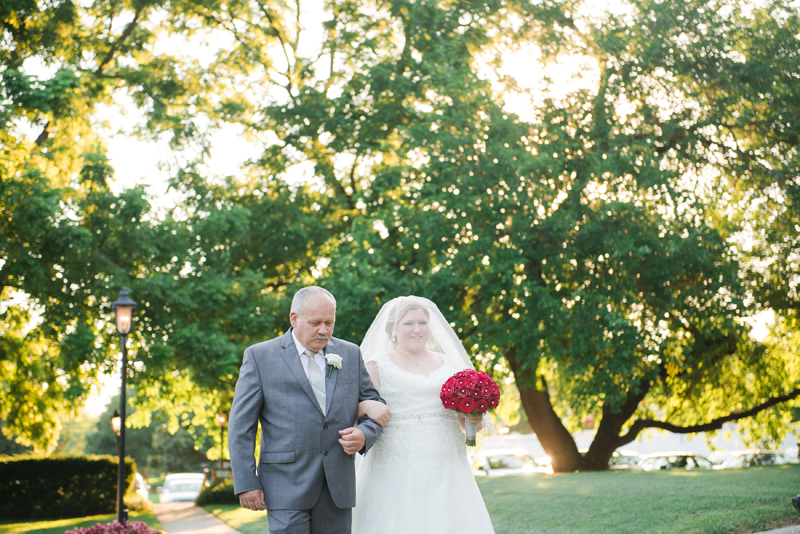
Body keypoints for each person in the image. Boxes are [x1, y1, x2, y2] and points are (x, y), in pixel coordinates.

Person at [228, 286, 391, 534]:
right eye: (316, 322)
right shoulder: (260, 357)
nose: (324, 330)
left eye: (329, 322)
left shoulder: (350, 353)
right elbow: (241, 427)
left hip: (337, 486)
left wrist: (364, 435)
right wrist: (247, 482)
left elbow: (376, 405)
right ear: (294, 318)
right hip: (285, 485)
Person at [351, 295, 496, 533]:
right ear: (392, 329)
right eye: (408, 323)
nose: (417, 329)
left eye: (422, 323)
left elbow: (468, 428)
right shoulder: (376, 366)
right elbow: (356, 413)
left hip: (447, 465)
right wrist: (364, 407)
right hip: (394, 467)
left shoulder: (453, 366)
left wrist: (474, 418)